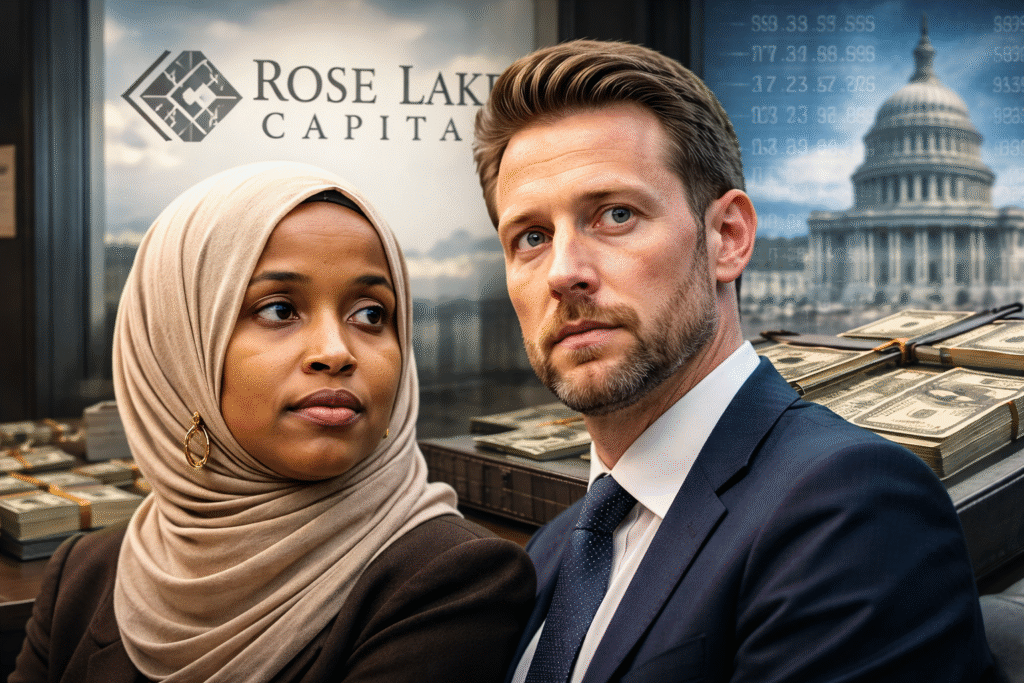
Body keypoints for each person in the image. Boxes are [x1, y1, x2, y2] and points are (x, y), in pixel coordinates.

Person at [473, 40, 993, 683]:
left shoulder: (855, 510)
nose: (563, 273)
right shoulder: (558, 549)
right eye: (531, 236)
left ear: (729, 238)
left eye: (614, 215)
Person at [10, 161, 535, 683]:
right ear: (182, 352)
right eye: (280, 310)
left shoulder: (452, 580)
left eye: (371, 314)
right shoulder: (85, 572)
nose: (335, 352)